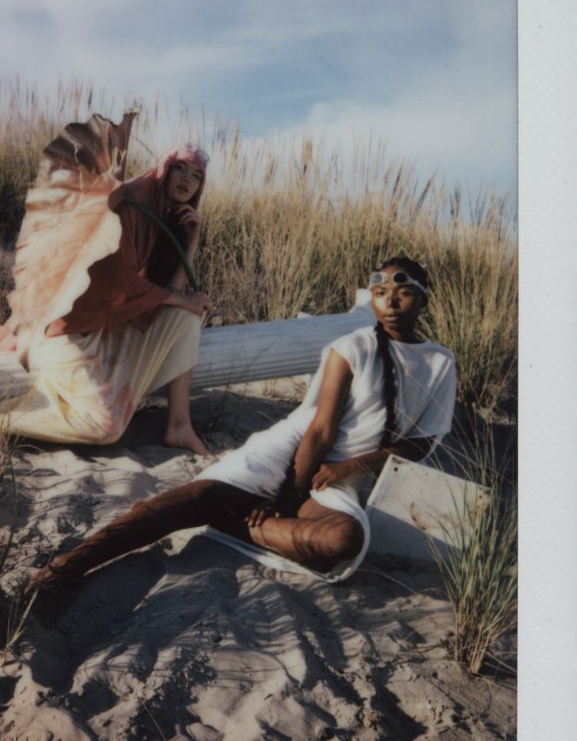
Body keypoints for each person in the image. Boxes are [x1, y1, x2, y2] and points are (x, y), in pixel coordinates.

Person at [25, 257, 457, 607]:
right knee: (190, 498)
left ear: (423, 299)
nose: (390, 302)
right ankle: (70, 564)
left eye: (402, 292)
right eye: (380, 293)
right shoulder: (353, 347)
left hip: (345, 475)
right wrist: (286, 500)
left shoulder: (439, 361)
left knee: (342, 541)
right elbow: (319, 431)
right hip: (297, 448)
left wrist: (352, 467)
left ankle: (232, 519)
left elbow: (421, 443)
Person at [0, 112, 213, 454]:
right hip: (65, 332)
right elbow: (117, 282)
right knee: (106, 426)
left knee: (186, 317)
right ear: (165, 168)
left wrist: (190, 240)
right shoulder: (133, 201)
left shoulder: (162, 215)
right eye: (181, 168)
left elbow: (171, 296)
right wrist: (180, 300)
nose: (187, 180)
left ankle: (179, 426)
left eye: (196, 176)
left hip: (102, 329)